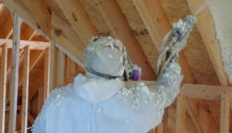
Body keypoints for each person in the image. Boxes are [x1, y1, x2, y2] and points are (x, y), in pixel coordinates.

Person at [33, 23, 191, 133]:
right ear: (121, 69)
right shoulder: (135, 106)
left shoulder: (57, 100)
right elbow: (165, 91)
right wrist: (172, 55)